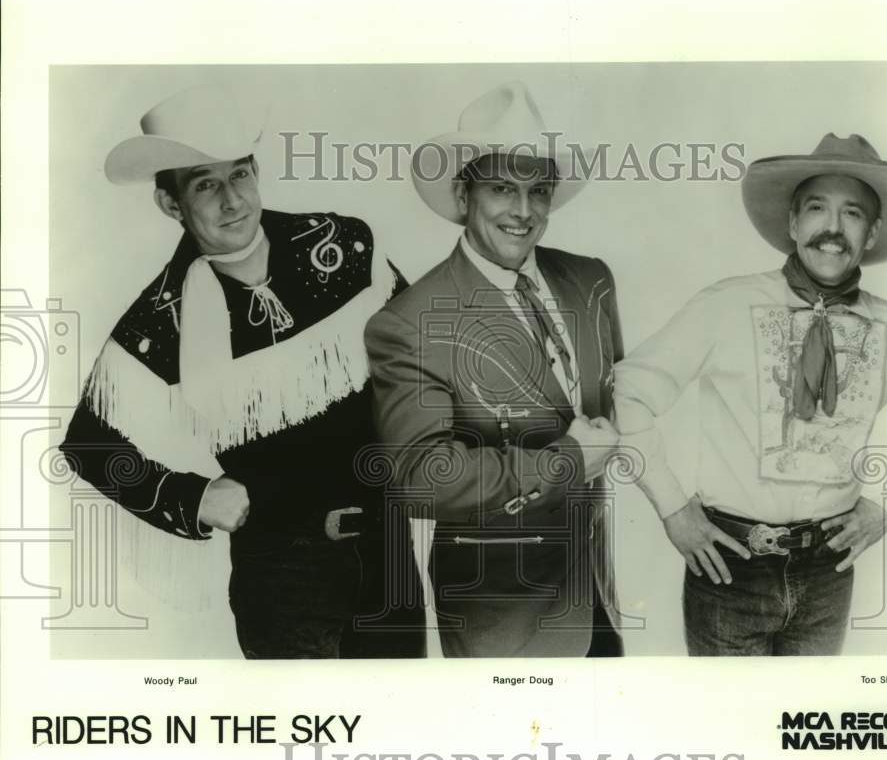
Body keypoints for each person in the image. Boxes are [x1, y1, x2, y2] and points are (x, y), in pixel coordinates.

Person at [59, 84, 425, 658]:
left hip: (388, 555)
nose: (232, 200)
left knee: (396, 734)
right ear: (171, 204)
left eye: (240, 175)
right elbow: (86, 444)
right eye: (205, 184)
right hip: (282, 575)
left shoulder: (345, 245)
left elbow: (418, 360)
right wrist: (192, 497)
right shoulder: (162, 316)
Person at [614, 133, 887, 655]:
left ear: (873, 233)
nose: (832, 229)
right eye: (817, 209)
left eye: (852, 214)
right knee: (732, 724)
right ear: (793, 223)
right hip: (730, 567)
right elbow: (630, 392)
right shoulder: (726, 306)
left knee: (800, 726)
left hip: (828, 576)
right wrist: (673, 509)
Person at [364, 81, 623, 657]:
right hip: (503, 614)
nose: (524, 211)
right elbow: (422, 480)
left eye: (539, 191)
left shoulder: (591, 281)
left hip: (596, 591)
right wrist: (568, 460)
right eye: (503, 188)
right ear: (463, 195)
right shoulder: (409, 322)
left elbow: (615, 407)